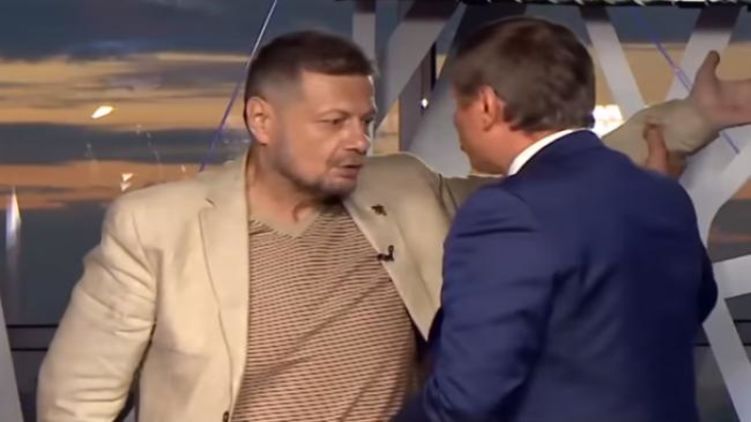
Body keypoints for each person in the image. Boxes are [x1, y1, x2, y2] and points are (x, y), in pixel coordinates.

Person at [37, 29, 745, 422]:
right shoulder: (155, 226)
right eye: (333, 122)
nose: (358, 140)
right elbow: (77, 404)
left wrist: (695, 118)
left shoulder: (402, 187)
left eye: (366, 120)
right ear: (261, 120)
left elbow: (559, 176)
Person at [394, 17, 717, 422]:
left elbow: (465, 397)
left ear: (487, 106)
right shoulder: (663, 193)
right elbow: (695, 302)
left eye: (459, 105)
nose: (456, 121)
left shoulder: (507, 211)